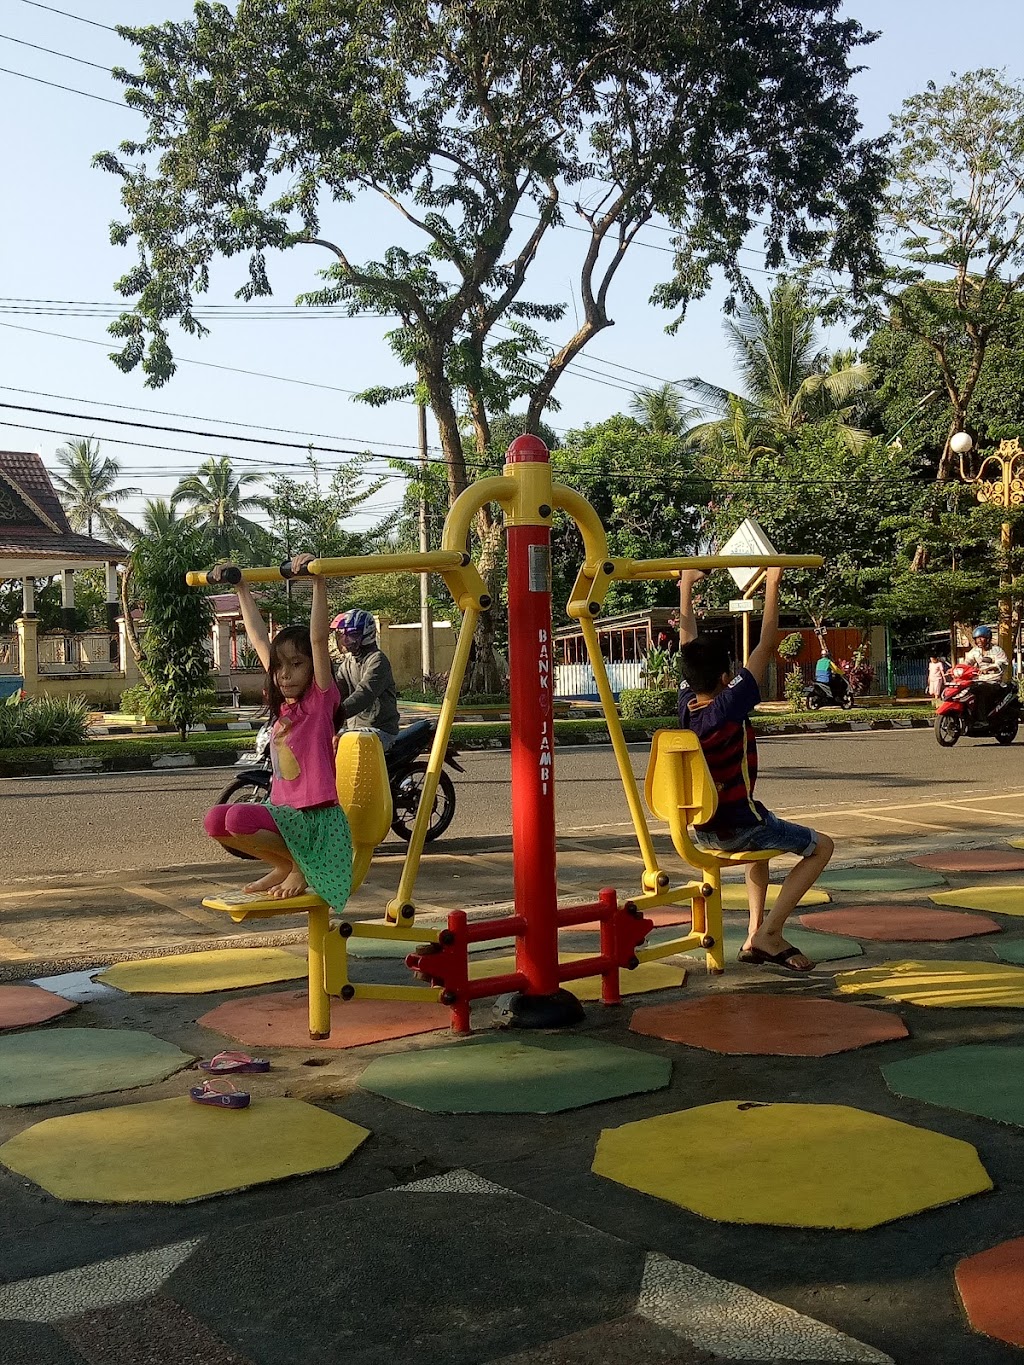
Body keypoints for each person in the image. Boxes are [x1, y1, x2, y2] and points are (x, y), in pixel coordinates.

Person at [677, 566, 834, 972]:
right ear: (725, 677)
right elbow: (766, 642)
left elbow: (687, 644)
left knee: (760, 840)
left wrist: (687, 585)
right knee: (822, 847)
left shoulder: (686, 706)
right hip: (739, 825)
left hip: (703, 827)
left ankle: (752, 935)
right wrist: (773, 582)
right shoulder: (728, 706)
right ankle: (771, 932)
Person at [203, 555, 352, 906]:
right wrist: (241, 587)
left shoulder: (319, 701)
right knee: (216, 821)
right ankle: (284, 865)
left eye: (296, 665)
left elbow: (318, 639)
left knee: (239, 816)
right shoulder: (284, 708)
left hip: (314, 820)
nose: (284, 674)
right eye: (280, 666)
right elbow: (258, 636)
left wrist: (318, 580)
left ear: (313, 668)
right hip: (286, 813)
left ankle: (300, 865)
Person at [331, 609, 401, 751]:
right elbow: (337, 690)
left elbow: (364, 694)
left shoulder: (377, 660)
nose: (346, 640)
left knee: (340, 741)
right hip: (355, 729)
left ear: (367, 634)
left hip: (380, 730)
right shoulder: (348, 663)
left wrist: (339, 714)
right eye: (344, 635)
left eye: (352, 635)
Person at [964, 626, 1009, 726]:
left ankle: (982, 720)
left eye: (981, 638)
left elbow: (1002, 663)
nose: (979, 640)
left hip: (993, 681)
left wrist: (988, 669)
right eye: (977, 638)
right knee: (966, 690)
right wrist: (956, 669)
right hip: (978, 680)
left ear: (988, 639)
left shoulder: (997, 650)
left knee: (980, 691)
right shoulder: (975, 651)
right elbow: (967, 662)